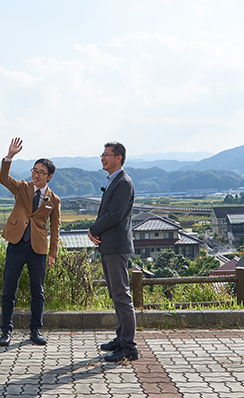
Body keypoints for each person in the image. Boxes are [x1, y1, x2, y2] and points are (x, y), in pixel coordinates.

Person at [0, 137, 61, 347]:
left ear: (49, 177)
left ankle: (35, 330)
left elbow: (55, 228)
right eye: (35, 170)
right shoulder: (22, 188)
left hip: (38, 248)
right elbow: (3, 178)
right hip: (16, 244)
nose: (36, 174)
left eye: (41, 172)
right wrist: (10, 156)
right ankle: (6, 331)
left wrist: (53, 254)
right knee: (9, 289)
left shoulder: (54, 200)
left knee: (37, 291)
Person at [87, 141, 138, 362]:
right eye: (102, 154)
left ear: (119, 158)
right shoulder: (114, 181)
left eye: (107, 154)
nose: (103, 158)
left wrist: (93, 229)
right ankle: (121, 338)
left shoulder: (123, 182)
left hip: (116, 246)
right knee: (116, 295)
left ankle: (129, 346)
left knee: (122, 296)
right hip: (109, 245)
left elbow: (115, 214)